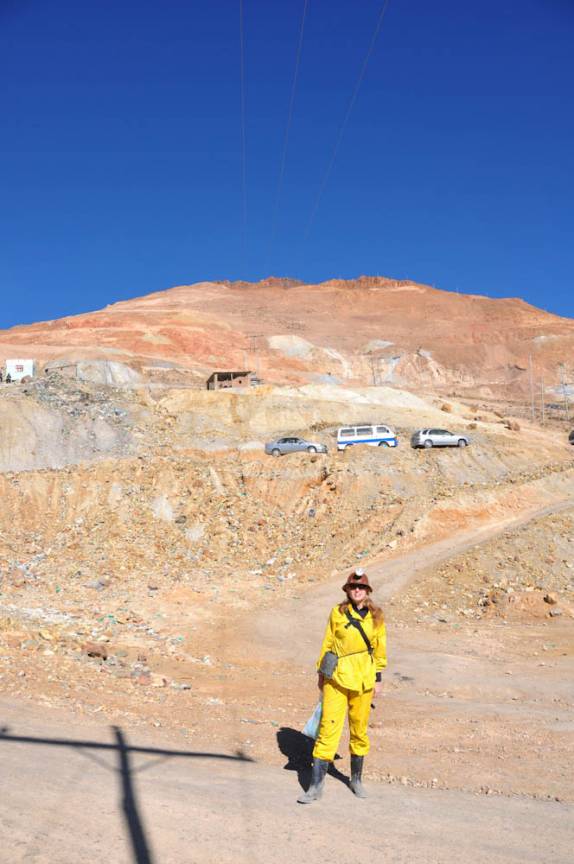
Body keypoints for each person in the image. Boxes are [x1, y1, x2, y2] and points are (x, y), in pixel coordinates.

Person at [298, 568, 387, 804]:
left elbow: (379, 649)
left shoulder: (376, 616)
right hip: (336, 679)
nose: (357, 590)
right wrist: (321, 673)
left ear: (367, 591)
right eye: (353, 587)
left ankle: (356, 780)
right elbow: (328, 642)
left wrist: (378, 680)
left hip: (364, 679)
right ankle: (315, 786)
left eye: (361, 587)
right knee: (328, 729)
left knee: (359, 729)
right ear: (347, 590)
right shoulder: (337, 613)